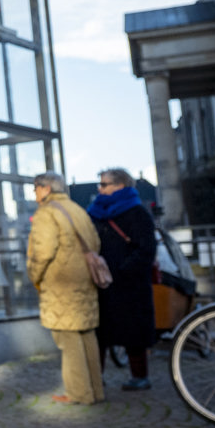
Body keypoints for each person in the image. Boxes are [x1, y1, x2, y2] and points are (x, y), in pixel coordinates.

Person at [27, 172, 104, 405]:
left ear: (46, 188)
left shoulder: (46, 213)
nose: (34, 193)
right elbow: (96, 243)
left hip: (60, 284)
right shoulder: (78, 210)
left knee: (68, 339)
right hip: (84, 282)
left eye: (36, 188)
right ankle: (96, 391)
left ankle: (79, 393)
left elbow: (43, 252)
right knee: (86, 334)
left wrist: (34, 275)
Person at [88, 167, 157, 390]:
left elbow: (147, 249)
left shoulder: (138, 212)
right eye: (100, 184)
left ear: (120, 186)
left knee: (134, 332)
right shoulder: (94, 212)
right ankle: (96, 378)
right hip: (102, 283)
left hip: (130, 284)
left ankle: (140, 376)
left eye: (104, 184)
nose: (99, 188)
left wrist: (124, 269)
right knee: (100, 332)